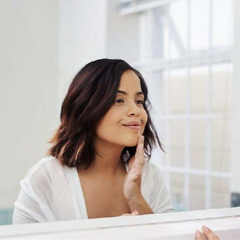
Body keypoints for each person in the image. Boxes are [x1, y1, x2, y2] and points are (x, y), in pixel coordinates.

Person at [12, 58, 220, 239]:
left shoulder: (149, 177)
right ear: (87, 107)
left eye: (139, 101)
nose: (135, 111)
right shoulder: (46, 179)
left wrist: (135, 197)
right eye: (119, 100)